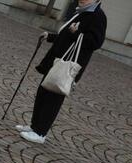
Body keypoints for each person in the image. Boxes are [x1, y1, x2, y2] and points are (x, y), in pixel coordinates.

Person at [17, 0, 107, 144]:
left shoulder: (97, 16)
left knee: (53, 99)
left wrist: (76, 32)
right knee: (43, 93)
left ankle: (41, 133)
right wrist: (50, 36)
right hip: (56, 60)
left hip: (67, 65)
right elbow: (66, 34)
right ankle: (34, 127)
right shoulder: (81, 11)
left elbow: (95, 42)